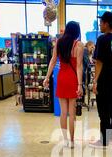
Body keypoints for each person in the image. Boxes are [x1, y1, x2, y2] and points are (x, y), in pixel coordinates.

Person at [44, 21, 84, 149]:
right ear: (77, 32)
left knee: (63, 112)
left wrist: (47, 77)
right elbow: (79, 66)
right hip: (72, 79)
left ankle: (65, 140)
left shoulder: (58, 43)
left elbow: (53, 60)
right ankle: (72, 142)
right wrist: (79, 84)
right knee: (72, 113)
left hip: (61, 77)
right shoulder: (79, 45)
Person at [90, 11, 112, 148]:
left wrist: (95, 80)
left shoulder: (102, 39)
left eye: (101, 22)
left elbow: (99, 62)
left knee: (103, 110)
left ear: (107, 24)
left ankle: (103, 141)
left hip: (104, 80)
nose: (100, 24)